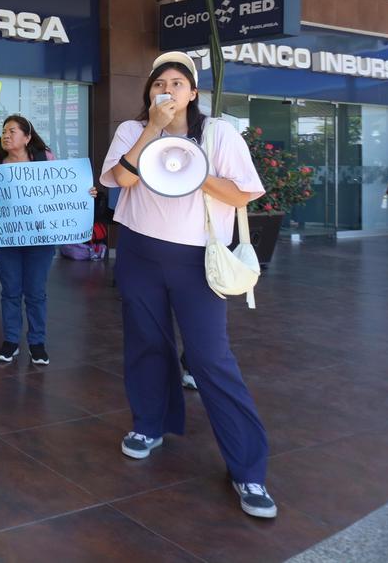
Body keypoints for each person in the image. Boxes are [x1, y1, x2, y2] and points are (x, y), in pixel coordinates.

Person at [100, 51, 276, 520]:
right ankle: (149, 425)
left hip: (196, 256)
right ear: (150, 92)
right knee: (145, 342)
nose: (169, 89)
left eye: (179, 82)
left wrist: (194, 172)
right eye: (161, 81)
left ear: (193, 93)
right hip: (139, 250)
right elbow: (121, 179)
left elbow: (242, 193)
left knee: (209, 357)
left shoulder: (219, 133)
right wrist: (153, 131)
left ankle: (248, 467)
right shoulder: (129, 130)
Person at [0, 115, 60, 366]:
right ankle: (11, 341)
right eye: (4, 131)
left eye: (12, 131)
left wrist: (84, 191)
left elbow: (62, 187)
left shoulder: (45, 160)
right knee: (11, 291)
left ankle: (37, 343)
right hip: (8, 239)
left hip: (40, 238)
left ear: (27, 137)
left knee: (35, 292)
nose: (6, 135)